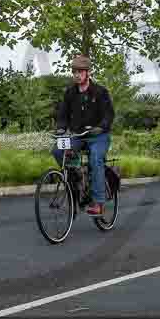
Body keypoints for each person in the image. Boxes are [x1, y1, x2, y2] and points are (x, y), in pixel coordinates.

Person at [52, 55, 115, 217]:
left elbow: (109, 115)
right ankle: (74, 183)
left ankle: (98, 203)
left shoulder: (100, 92)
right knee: (58, 150)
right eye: (74, 72)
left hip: (98, 136)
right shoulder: (70, 93)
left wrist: (100, 127)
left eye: (80, 71)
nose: (77, 75)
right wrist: (60, 128)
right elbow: (63, 115)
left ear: (88, 73)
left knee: (95, 159)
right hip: (78, 136)